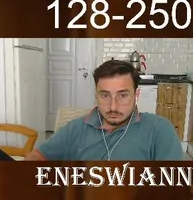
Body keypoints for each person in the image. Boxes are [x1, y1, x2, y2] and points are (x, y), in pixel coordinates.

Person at [26, 60, 188, 161]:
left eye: (123, 95)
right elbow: (38, 155)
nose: (113, 107)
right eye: (105, 95)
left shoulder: (159, 129)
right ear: (96, 95)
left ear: (136, 95)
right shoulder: (76, 128)